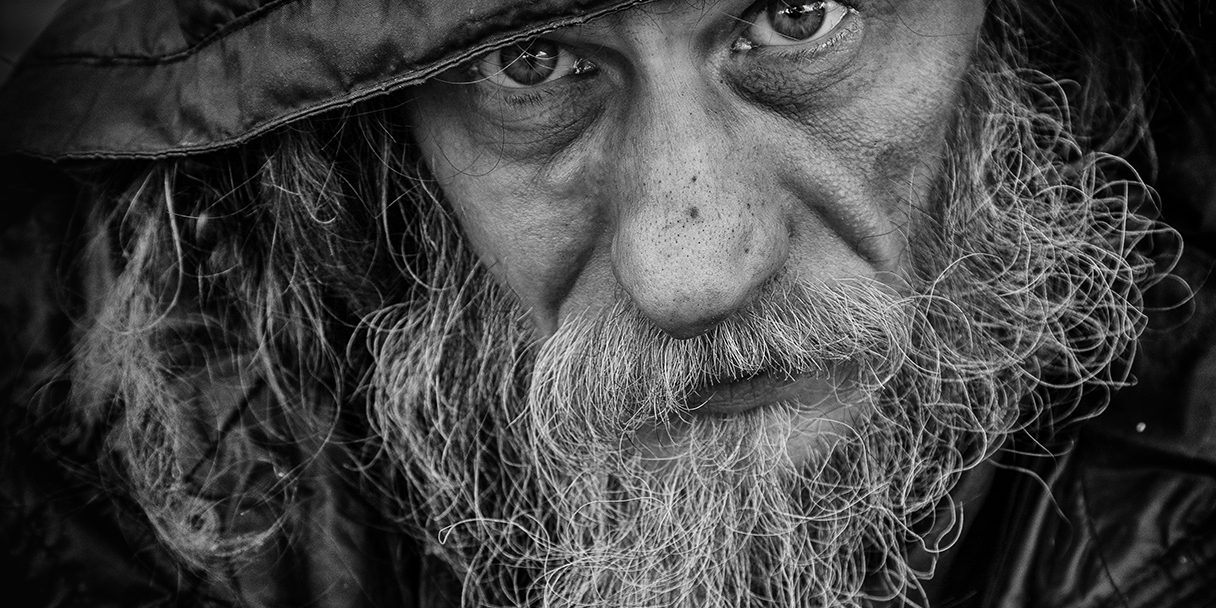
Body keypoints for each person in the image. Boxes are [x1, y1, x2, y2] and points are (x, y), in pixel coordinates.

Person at [1, 0, 1214, 606]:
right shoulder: (133, 445)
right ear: (367, 142)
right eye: (528, 64)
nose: (694, 268)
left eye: (798, 14)